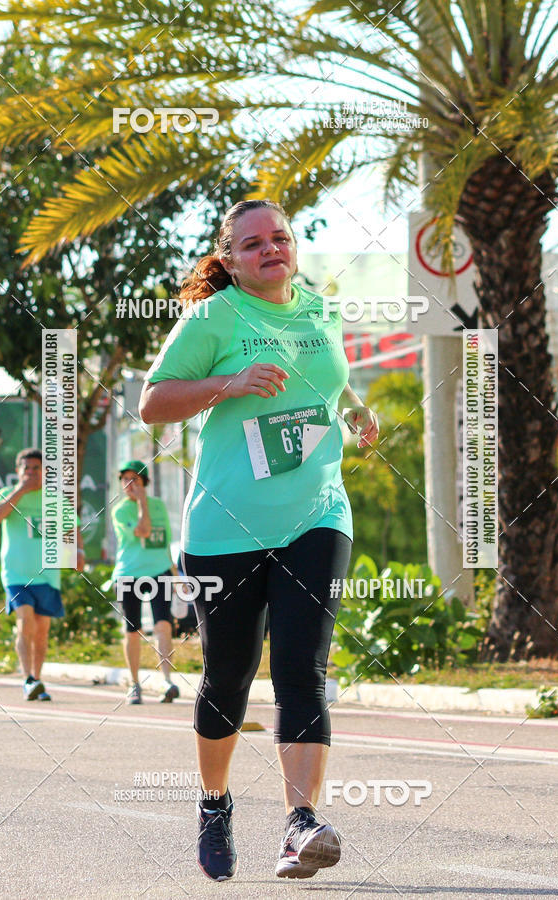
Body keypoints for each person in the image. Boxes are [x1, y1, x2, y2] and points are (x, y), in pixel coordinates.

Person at [139, 199, 379, 881]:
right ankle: (214, 803)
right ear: (231, 262)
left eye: (280, 238)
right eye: (253, 244)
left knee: (303, 669)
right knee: (228, 676)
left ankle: (300, 824)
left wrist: (354, 411)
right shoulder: (213, 318)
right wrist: (228, 383)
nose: (270, 250)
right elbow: (152, 403)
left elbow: (331, 385)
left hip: (316, 512)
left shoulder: (320, 310)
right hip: (225, 525)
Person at [0, 448, 84, 701]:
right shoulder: (8, 495)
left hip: (47, 576)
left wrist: (79, 551)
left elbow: (72, 527)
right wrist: (20, 490)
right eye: (26, 469)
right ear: (18, 471)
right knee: (25, 621)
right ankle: (28, 678)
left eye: (36, 469)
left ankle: (37, 680)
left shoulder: (55, 499)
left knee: (41, 632)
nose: (30, 473)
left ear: (45, 472)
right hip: (16, 574)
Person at [111, 460, 180, 705]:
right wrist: (140, 502)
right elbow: (142, 531)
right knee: (133, 630)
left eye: (135, 479)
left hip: (159, 570)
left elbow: (164, 539)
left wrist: (175, 573)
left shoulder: (158, 505)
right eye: (125, 479)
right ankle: (134, 683)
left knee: (164, 624)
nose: (130, 484)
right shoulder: (119, 510)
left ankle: (167, 680)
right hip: (129, 573)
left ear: (145, 482)